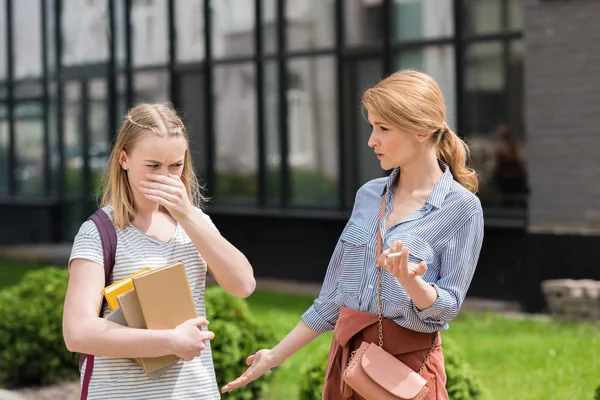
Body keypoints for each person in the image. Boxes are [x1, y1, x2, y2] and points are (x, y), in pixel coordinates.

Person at [221, 70, 484, 399]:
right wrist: (274, 356)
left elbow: (447, 307)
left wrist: (410, 281)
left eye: (383, 128)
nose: (372, 140)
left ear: (421, 129)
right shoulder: (369, 196)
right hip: (348, 364)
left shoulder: (462, 208)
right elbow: (333, 299)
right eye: (372, 127)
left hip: (406, 372)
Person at [63, 103, 256, 399]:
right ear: (124, 159)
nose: (166, 177)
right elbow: (77, 333)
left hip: (196, 392)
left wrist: (188, 216)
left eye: (175, 166)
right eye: (153, 166)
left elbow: (243, 285)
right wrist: (170, 341)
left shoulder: (196, 223)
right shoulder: (100, 231)